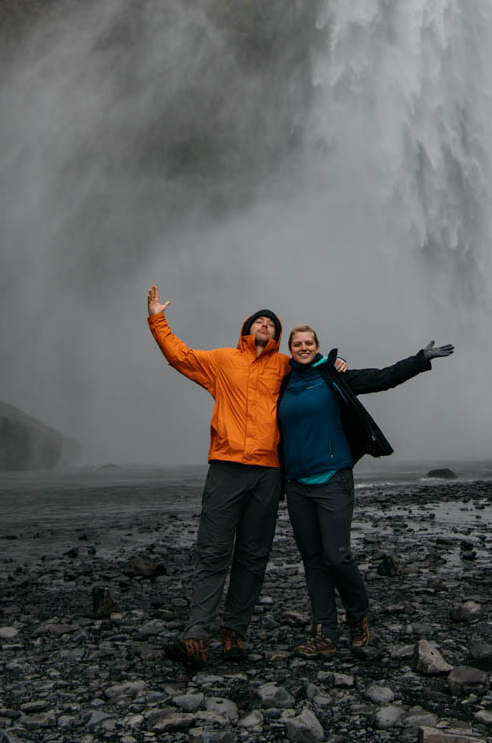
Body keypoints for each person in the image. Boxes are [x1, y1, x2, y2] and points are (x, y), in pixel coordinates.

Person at [146, 285, 347, 668]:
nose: (266, 326)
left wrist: (337, 365)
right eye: (260, 321)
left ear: (276, 336)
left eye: (272, 324)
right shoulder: (223, 361)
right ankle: (196, 634)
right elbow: (180, 356)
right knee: (213, 551)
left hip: (268, 473)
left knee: (254, 556)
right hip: (226, 466)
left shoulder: (284, 365)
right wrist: (158, 318)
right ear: (246, 328)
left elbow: (314, 366)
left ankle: (235, 633)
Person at [278, 324, 454, 657]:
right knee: (313, 561)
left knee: (337, 556)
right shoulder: (284, 383)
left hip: (332, 478)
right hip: (296, 484)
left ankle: (358, 617)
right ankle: (325, 633)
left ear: (317, 347)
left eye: (308, 343)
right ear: (290, 349)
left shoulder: (333, 376)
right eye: (297, 344)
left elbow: (382, 378)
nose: (302, 348)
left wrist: (419, 360)